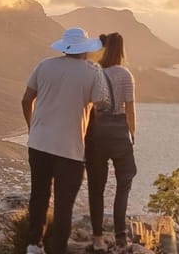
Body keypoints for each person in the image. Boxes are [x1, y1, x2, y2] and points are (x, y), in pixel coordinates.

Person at [21, 28, 109, 254]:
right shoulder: (93, 72)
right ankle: (57, 248)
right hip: (69, 148)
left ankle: (33, 245)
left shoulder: (44, 65)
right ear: (86, 50)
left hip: (38, 143)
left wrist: (34, 127)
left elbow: (26, 100)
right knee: (64, 204)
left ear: (65, 48)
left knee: (39, 194)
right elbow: (101, 106)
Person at [85, 32, 137, 253]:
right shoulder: (125, 75)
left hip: (96, 132)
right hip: (118, 132)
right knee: (124, 181)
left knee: (96, 187)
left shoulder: (94, 73)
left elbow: (88, 106)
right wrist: (132, 135)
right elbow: (130, 110)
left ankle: (97, 238)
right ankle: (120, 238)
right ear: (122, 50)